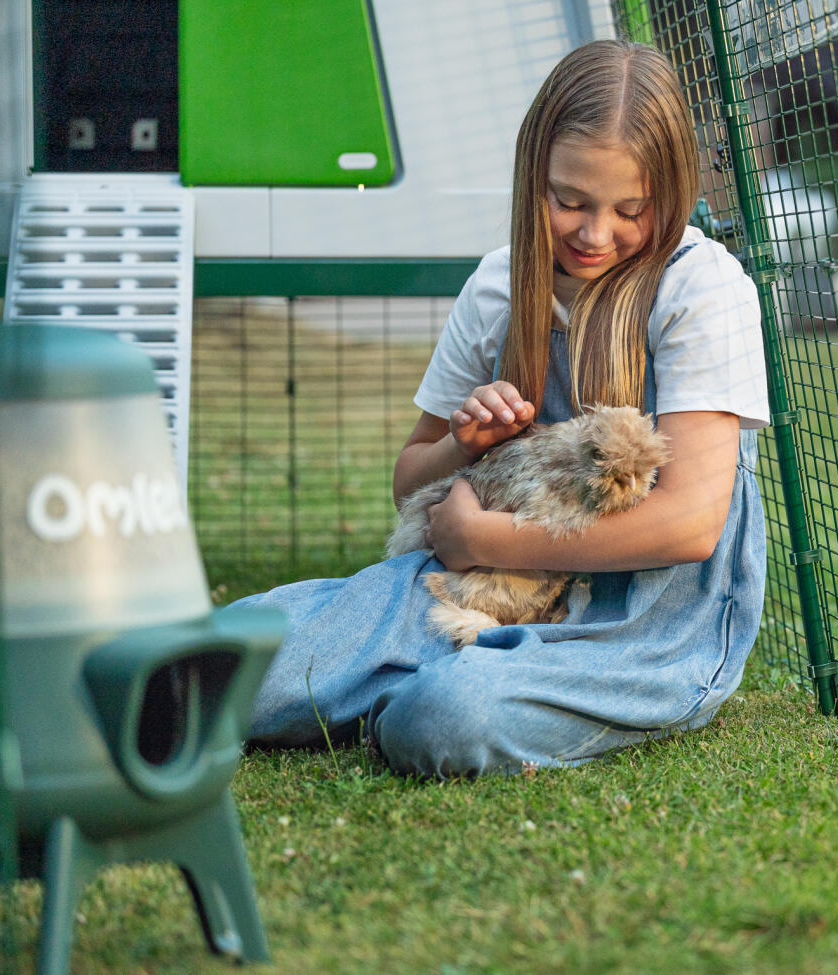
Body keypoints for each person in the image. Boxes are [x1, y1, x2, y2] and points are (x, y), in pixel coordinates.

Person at [234, 39, 770, 777]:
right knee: (232, 658)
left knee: (444, 719)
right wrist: (464, 443)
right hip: (473, 592)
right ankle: (381, 666)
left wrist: (485, 536)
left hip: (639, 626)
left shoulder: (701, 289)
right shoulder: (498, 285)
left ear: (669, 195)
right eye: (568, 200)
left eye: (629, 209)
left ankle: (403, 680)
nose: (593, 233)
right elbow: (409, 478)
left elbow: (690, 523)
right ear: (532, 180)